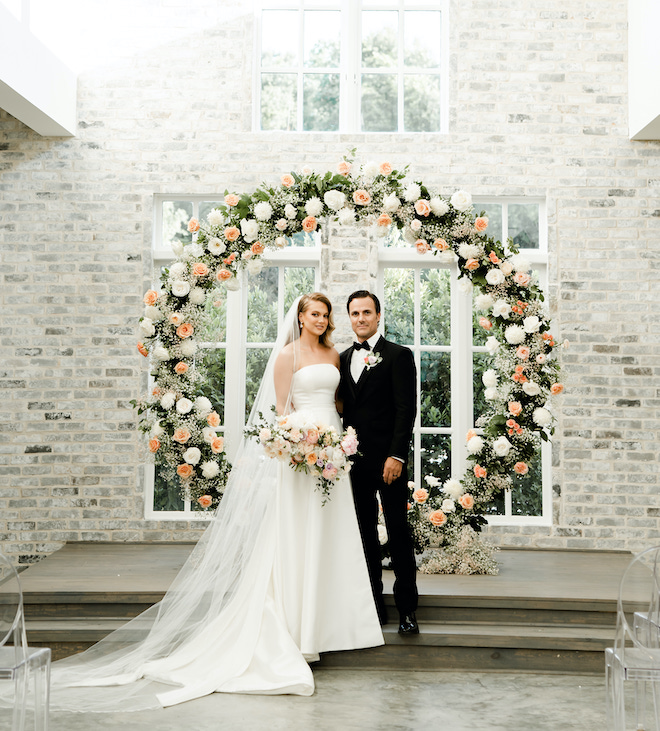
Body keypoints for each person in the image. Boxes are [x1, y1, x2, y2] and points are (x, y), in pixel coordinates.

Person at [28, 293, 383, 713]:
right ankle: (295, 626)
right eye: (314, 314)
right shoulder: (287, 354)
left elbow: (338, 402)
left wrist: (337, 440)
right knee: (297, 532)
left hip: (332, 451)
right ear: (301, 317)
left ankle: (331, 625)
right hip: (301, 451)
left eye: (325, 315)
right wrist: (299, 444)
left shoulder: (332, 354)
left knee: (331, 533)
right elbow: (282, 410)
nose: (321, 321)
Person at [338, 290, 419, 635]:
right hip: (353, 464)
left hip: (390, 463)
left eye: (366, 312)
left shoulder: (398, 355)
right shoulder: (341, 359)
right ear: (350, 318)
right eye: (355, 313)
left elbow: (406, 409)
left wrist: (397, 454)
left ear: (378, 315)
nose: (361, 319)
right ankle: (373, 605)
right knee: (365, 536)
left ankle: (407, 610)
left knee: (398, 532)